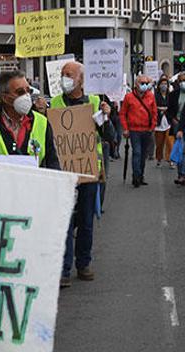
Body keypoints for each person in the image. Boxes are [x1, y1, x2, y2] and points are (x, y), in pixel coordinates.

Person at [51, 61, 111, 285]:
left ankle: (83, 263)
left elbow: (109, 136)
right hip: (63, 171)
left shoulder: (95, 101)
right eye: (62, 74)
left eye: (69, 74)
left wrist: (106, 116)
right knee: (64, 220)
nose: (64, 78)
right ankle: (63, 269)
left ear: (81, 80)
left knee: (86, 220)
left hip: (88, 171)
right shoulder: (55, 103)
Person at [0, 71, 59, 169]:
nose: (27, 96)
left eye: (28, 91)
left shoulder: (42, 123)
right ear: (5, 98)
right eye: (20, 92)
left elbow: (52, 163)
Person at [120, 74, 158, 187]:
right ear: (136, 84)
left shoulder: (150, 96)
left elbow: (154, 112)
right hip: (134, 130)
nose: (144, 85)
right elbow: (122, 113)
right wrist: (125, 128)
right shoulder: (129, 97)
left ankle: (140, 175)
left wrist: (153, 127)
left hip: (146, 130)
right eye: (142, 83)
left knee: (143, 155)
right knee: (137, 152)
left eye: (146, 83)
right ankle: (136, 177)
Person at [169, 72, 185, 185]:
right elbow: (169, 110)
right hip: (178, 123)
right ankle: (181, 174)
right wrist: (173, 119)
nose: (184, 83)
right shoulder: (174, 94)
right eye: (182, 81)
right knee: (181, 149)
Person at [154, 75, 175, 169]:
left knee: (170, 142)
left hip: (168, 122)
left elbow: (172, 107)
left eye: (165, 84)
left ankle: (171, 160)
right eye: (162, 84)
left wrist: (167, 109)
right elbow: (153, 107)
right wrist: (159, 109)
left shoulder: (171, 96)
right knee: (159, 143)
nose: (164, 86)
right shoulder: (155, 96)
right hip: (158, 122)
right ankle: (159, 159)